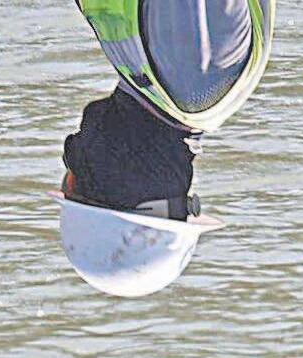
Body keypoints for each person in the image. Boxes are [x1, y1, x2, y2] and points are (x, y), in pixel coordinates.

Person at [52, 0, 274, 297]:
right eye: (74, 181)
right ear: (115, 186)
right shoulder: (192, 73)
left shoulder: (155, 88)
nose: (71, 159)